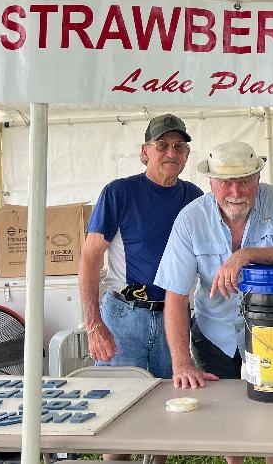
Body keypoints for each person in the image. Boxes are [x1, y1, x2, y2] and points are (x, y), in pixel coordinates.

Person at [154, 141, 273, 464]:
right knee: (226, 418)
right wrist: (182, 364)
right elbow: (175, 293)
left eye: (244, 180)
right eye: (225, 182)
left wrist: (246, 255)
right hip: (215, 334)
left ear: (257, 177)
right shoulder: (190, 219)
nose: (235, 190)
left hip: (270, 332)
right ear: (210, 182)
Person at [78, 113, 203, 464]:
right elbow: (90, 259)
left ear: (187, 155)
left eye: (179, 146)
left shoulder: (194, 196)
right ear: (144, 151)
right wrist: (94, 325)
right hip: (124, 315)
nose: (170, 153)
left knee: (167, 408)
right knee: (117, 416)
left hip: (173, 316)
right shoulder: (119, 192)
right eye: (162, 145)